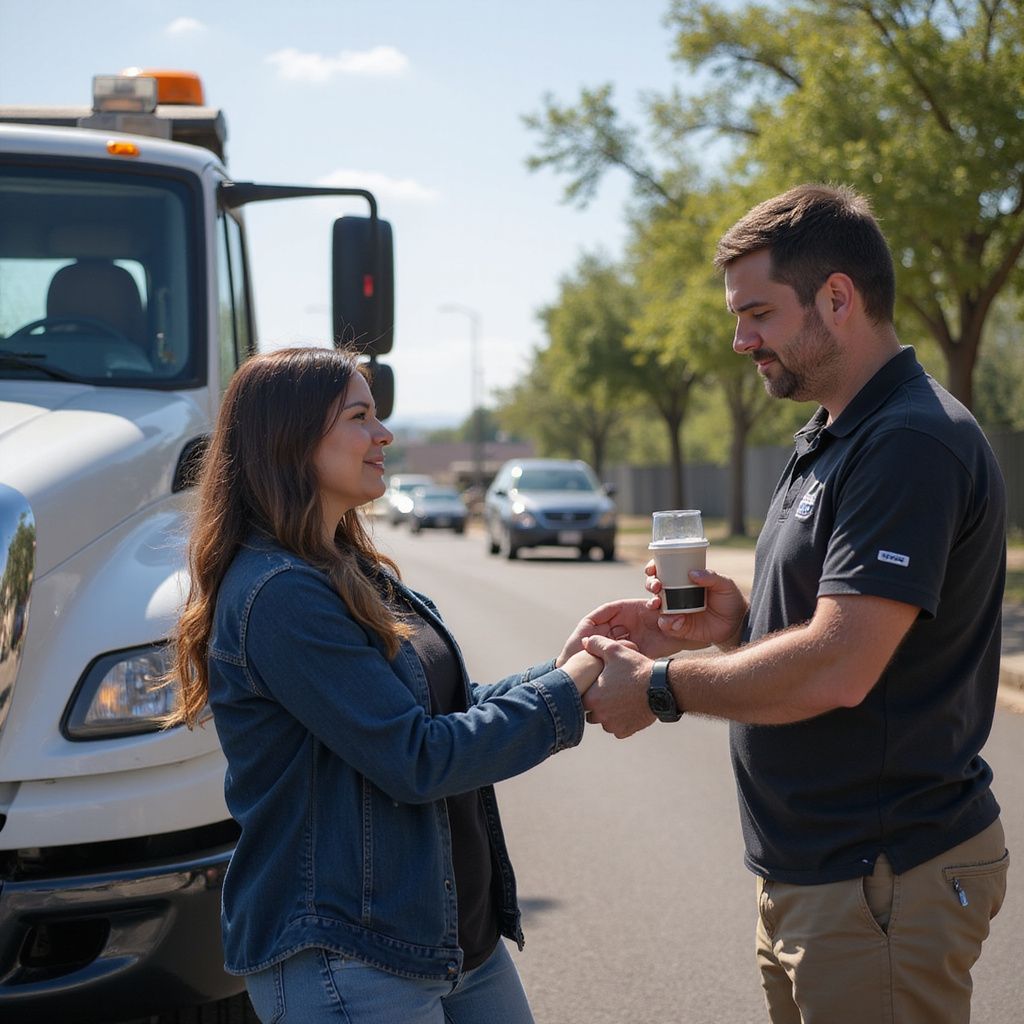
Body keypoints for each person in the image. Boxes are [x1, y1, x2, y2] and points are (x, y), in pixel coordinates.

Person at [581, 184, 1010, 1024]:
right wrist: (739, 626)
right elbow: (849, 638)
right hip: (822, 875)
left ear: (838, 298)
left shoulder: (909, 442)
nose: (741, 339)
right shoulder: (833, 432)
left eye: (759, 314)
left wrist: (662, 685)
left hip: (879, 878)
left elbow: (842, 666)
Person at [169, 346, 626, 1024]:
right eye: (360, 417)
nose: (384, 435)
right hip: (351, 960)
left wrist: (567, 665)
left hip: (452, 943)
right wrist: (572, 686)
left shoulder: (347, 566)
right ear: (290, 440)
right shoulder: (279, 595)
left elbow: (449, 709)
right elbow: (420, 758)